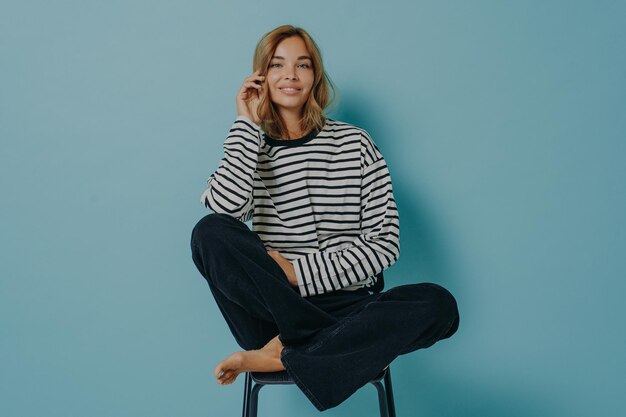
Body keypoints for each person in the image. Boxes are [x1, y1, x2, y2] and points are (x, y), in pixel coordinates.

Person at [190, 24, 460, 411]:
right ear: (260, 76)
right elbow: (225, 210)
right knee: (208, 231)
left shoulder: (354, 144)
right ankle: (306, 342)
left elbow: (384, 244)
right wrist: (246, 127)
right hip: (274, 314)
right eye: (278, 64)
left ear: (315, 75)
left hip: (347, 306)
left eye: (303, 65)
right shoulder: (252, 148)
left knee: (440, 305)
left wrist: (296, 272)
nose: (290, 75)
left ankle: (286, 354)